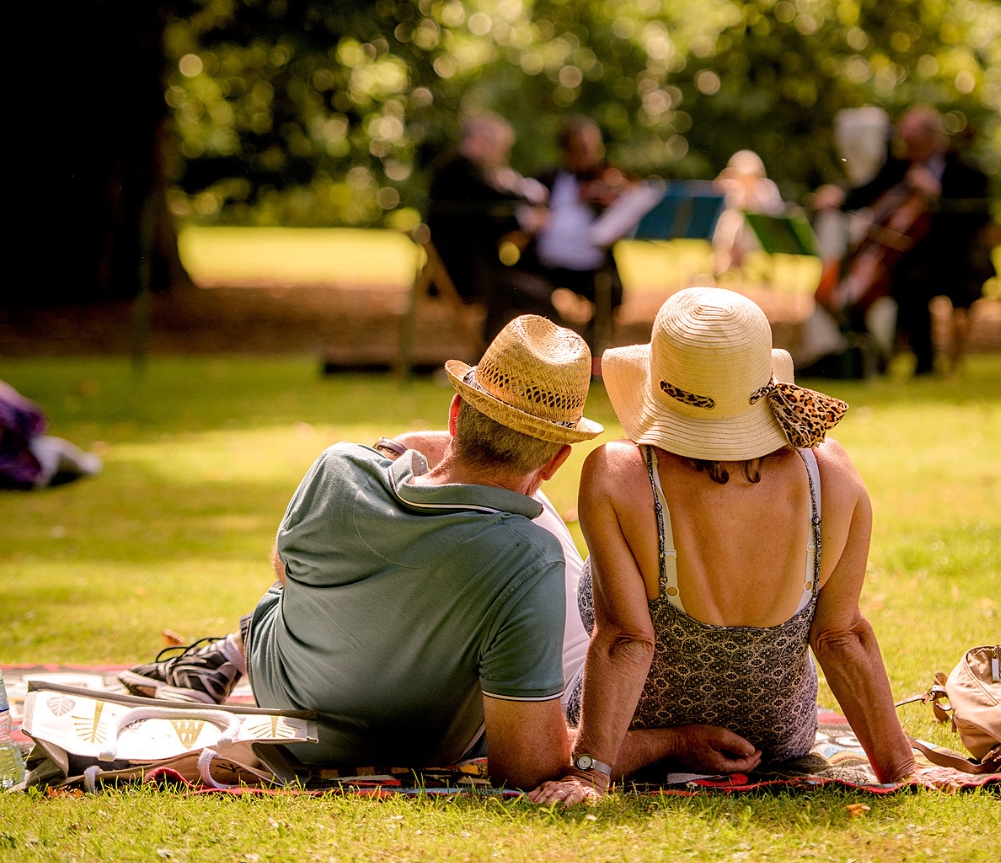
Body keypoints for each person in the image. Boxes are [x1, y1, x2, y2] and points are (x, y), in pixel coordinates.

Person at [120, 316, 745, 788]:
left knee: (290, 586)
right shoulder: (530, 559)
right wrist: (673, 741)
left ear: (455, 412)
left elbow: (286, 574)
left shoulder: (336, 467)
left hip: (282, 699)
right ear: (558, 460)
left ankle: (226, 653)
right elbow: (529, 765)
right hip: (417, 739)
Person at [531, 288, 977, 804]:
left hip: (632, 723)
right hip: (775, 738)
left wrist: (589, 773)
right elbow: (841, 635)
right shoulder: (830, 474)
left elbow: (626, 639)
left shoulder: (619, 474)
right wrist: (901, 768)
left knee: (540, 528)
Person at [815, 107, 996, 375]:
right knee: (868, 286)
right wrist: (838, 196)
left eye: (914, 144)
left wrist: (936, 197)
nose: (908, 150)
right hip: (905, 257)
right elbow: (867, 191)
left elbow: (977, 219)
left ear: (933, 138)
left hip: (957, 259)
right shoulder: (902, 167)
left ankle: (924, 362)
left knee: (912, 282)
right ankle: (871, 356)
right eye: (905, 143)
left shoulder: (967, 172)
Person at [427, 113, 555, 346]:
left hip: (477, 268)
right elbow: (493, 201)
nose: (502, 155)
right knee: (537, 297)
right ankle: (493, 360)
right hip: (459, 272)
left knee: (530, 290)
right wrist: (527, 200)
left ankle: (489, 358)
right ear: (481, 138)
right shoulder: (458, 172)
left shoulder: (466, 171)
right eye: (500, 147)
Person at [532, 116, 630, 346]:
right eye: (580, 149)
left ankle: (586, 350)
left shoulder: (607, 179)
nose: (588, 155)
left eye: (593, 149)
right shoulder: (550, 177)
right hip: (547, 265)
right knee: (531, 292)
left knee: (613, 292)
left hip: (590, 267)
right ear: (566, 150)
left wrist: (610, 201)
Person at [0, 380, 102, 489]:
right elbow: (34, 420)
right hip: (27, 467)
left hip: (14, 466)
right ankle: (89, 465)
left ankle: (83, 466)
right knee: (57, 448)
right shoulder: (4, 399)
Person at [711, 150, 784, 274]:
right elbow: (719, 193)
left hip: (760, 233)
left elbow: (772, 214)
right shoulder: (735, 190)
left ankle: (725, 262)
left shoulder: (767, 189)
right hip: (739, 234)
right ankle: (723, 260)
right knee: (729, 219)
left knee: (736, 222)